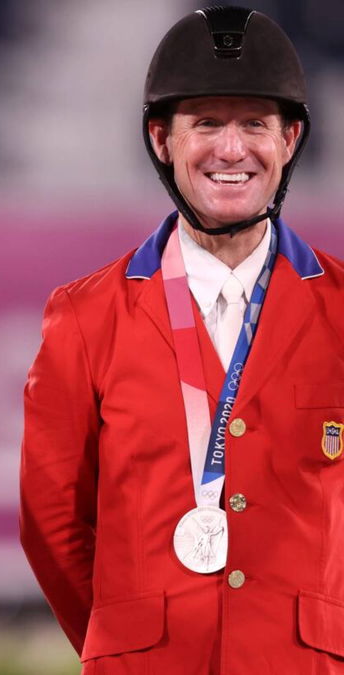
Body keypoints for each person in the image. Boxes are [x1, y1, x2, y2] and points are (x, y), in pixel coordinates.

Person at [20, 7, 344, 672]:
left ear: (291, 138)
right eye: (207, 123)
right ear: (162, 139)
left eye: (254, 122)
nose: (232, 149)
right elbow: (52, 523)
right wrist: (125, 638)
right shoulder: (85, 316)